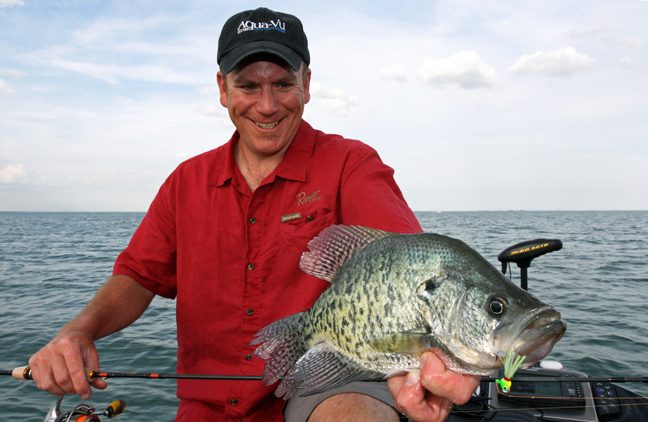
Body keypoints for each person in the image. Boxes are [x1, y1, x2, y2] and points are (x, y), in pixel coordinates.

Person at [28, 7, 479, 422]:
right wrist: (79, 331)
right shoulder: (186, 181)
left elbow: (408, 263)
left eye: (283, 84)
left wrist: (415, 363)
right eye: (248, 86)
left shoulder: (350, 164)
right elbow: (138, 275)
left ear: (306, 82)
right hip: (206, 404)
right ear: (223, 89)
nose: (267, 105)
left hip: (325, 382)